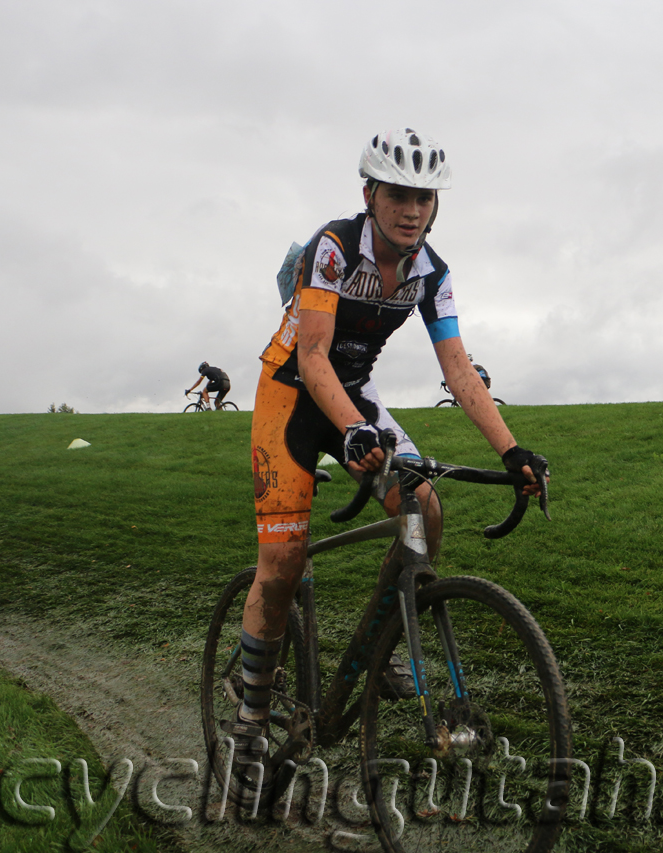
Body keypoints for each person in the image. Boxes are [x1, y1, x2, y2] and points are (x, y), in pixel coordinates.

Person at [233, 128, 545, 791]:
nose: (412, 210)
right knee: (283, 560)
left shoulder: (433, 272)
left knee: (424, 510)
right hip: (290, 393)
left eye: (425, 198)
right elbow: (312, 354)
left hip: (352, 393)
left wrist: (512, 449)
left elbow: (459, 371)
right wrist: (350, 432)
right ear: (371, 193)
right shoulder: (335, 247)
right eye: (399, 194)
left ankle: (378, 649)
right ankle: (251, 717)